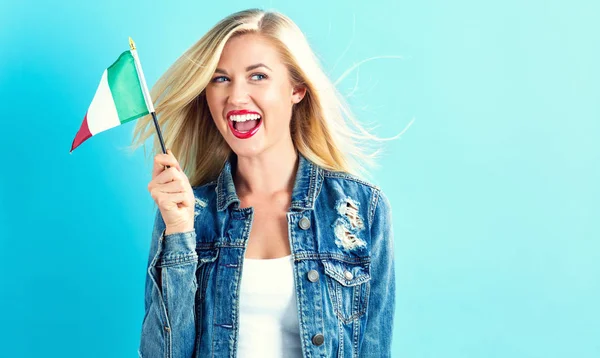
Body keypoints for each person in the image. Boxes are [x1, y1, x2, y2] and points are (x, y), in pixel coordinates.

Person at [132, 8, 395, 358]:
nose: (236, 97)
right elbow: (162, 354)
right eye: (220, 78)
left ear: (296, 89)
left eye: (257, 76)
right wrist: (179, 231)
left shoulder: (360, 210)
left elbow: (373, 349)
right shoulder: (187, 212)